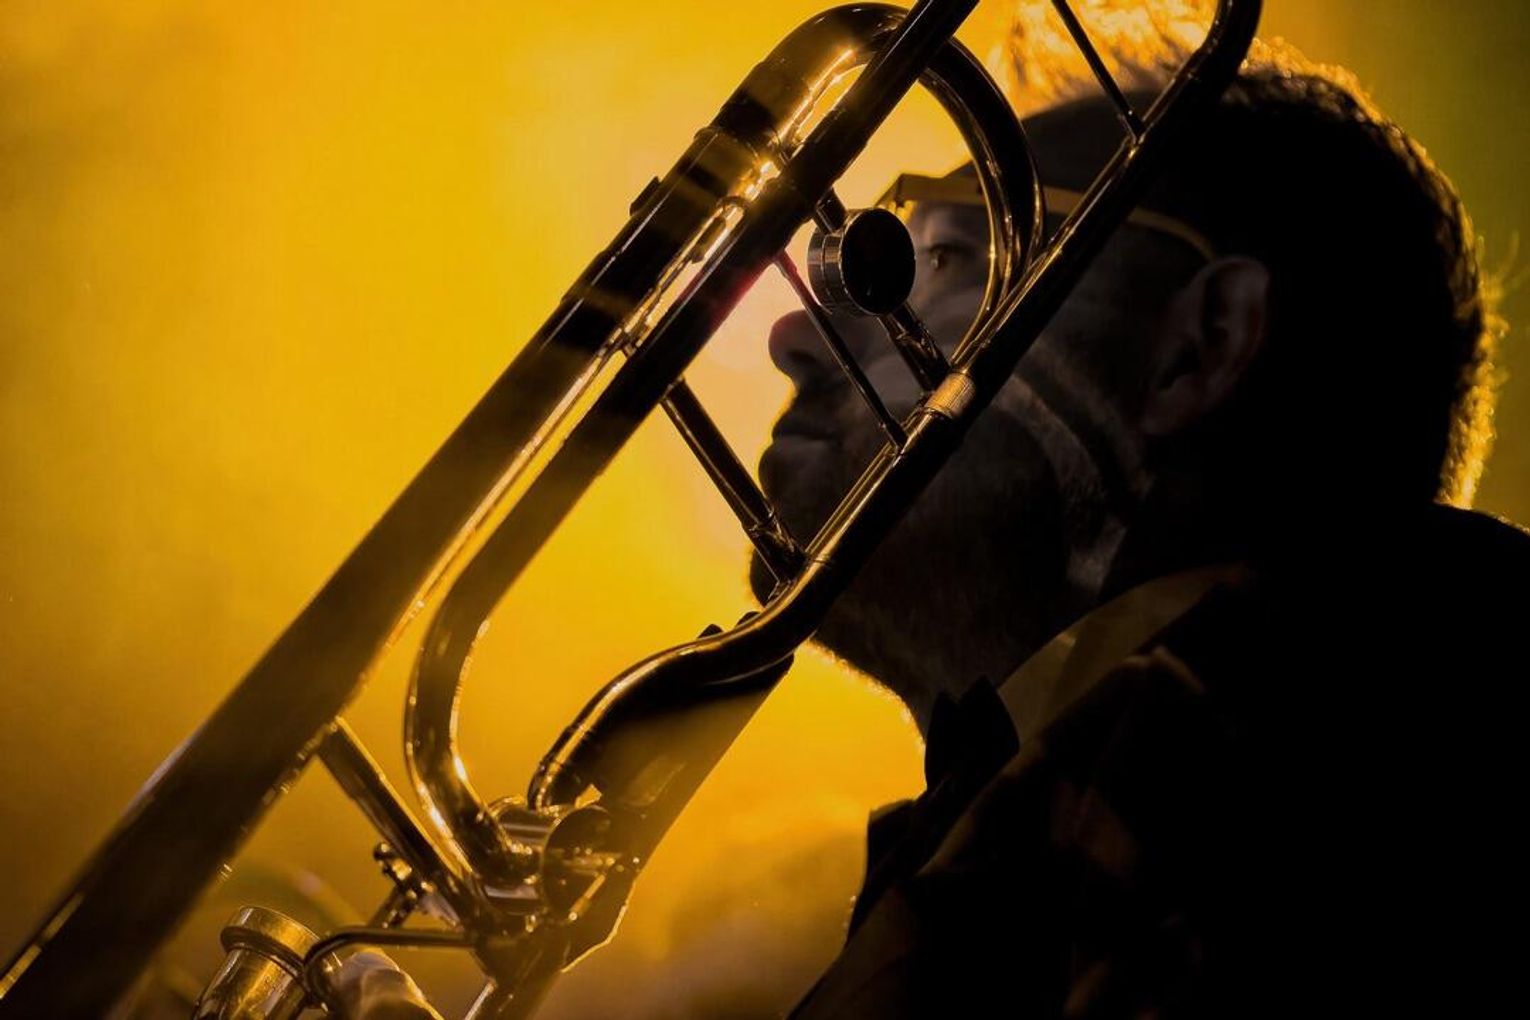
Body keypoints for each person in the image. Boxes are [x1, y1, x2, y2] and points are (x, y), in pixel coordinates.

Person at [328, 12, 1528, 1019]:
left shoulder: (1329, 737)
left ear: (1197, 350)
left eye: (949, 259)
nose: (794, 337)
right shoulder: (1043, 815)